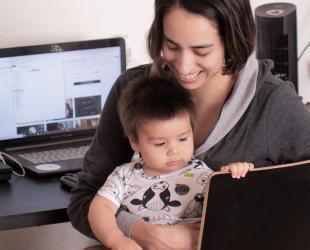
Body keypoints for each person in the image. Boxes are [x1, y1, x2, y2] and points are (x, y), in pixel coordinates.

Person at [68, 0, 310, 249]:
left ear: (233, 41)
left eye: (201, 51)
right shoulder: (133, 92)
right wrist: (142, 232)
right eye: (171, 46)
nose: (183, 67)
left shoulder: (273, 102)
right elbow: (83, 201)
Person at [87, 74, 253, 250]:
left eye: (183, 139)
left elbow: (234, 211)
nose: (174, 151)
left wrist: (234, 176)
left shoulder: (204, 174)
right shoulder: (124, 176)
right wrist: (117, 240)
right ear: (135, 142)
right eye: (160, 143)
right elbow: (100, 209)